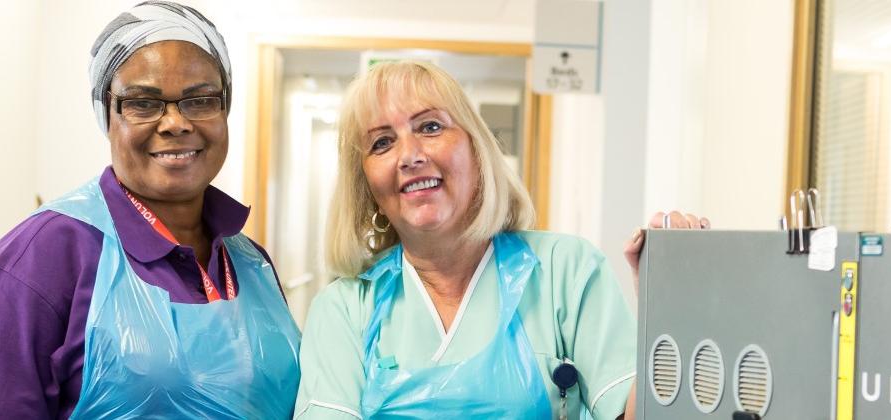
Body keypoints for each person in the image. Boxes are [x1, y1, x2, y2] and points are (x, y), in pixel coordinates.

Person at [0, 2, 299, 418]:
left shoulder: (251, 262)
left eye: (200, 100)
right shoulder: (42, 259)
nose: (176, 122)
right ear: (107, 116)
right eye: (144, 102)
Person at [294, 60, 708, 419]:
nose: (410, 154)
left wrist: (670, 312)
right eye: (382, 142)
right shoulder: (345, 310)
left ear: (477, 152)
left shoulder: (566, 271)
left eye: (431, 126)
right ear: (367, 187)